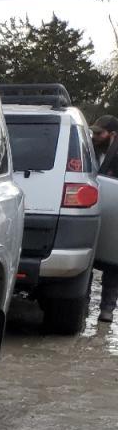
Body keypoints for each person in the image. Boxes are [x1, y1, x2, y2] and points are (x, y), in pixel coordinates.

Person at [93, 115, 118, 321]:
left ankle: (107, 308)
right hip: (91, 209)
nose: (95, 136)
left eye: (99, 133)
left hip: (114, 213)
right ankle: (80, 305)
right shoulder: (90, 149)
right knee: (86, 260)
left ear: (112, 134)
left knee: (113, 263)